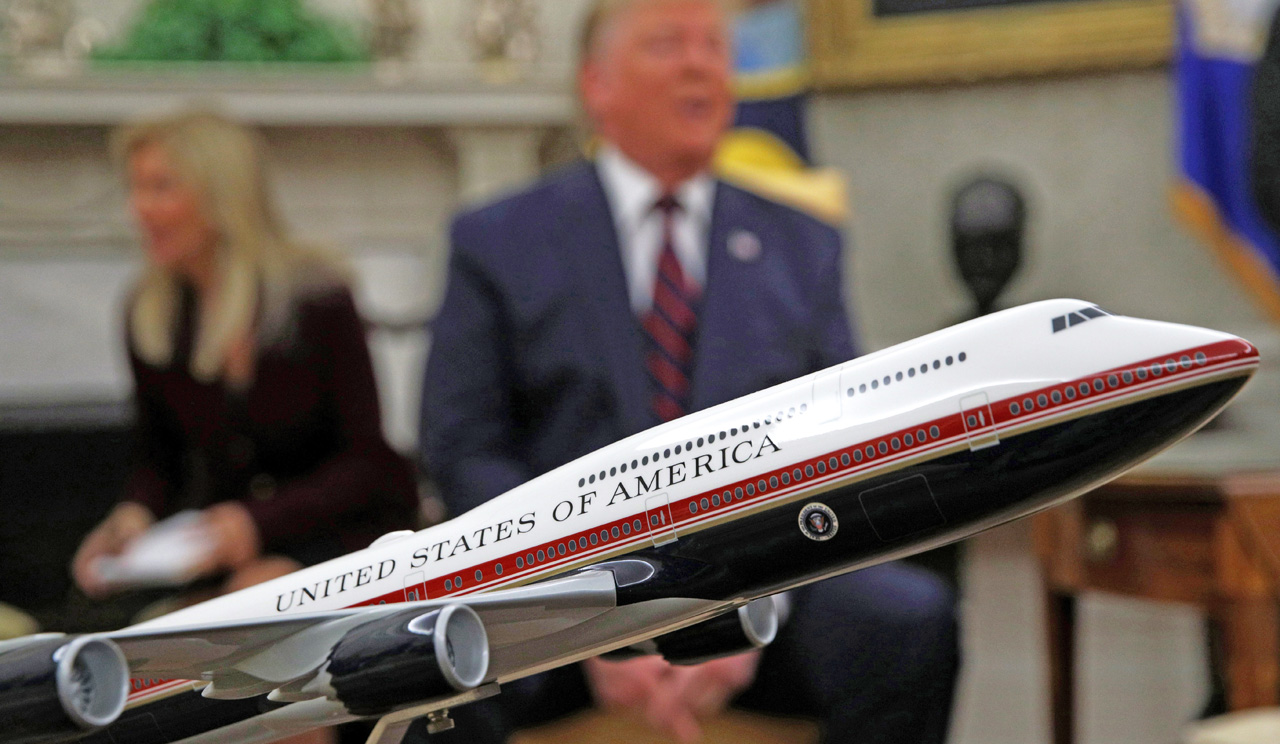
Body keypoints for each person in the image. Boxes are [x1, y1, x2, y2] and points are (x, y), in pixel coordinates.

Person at [417, 1, 959, 743]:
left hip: (763, 580)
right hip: (556, 592)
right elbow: (464, 447)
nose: (700, 63)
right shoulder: (500, 239)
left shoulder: (803, 245)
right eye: (667, 44)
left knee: (908, 623)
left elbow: (842, 448)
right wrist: (583, 618)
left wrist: (754, 609)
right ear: (597, 84)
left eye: (713, 45)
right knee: (423, 664)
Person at [72, 109, 418, 606]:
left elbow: (366, 463)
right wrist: (131, 518)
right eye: (135, 189)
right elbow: (158, 457)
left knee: (254, 608)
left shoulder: (317, 299)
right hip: (227, 551)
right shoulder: (149, 312)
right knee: (152, 641)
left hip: (345, 540)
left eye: (160, 188)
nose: (137, 209)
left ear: (222, 197)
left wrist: (256, 523)